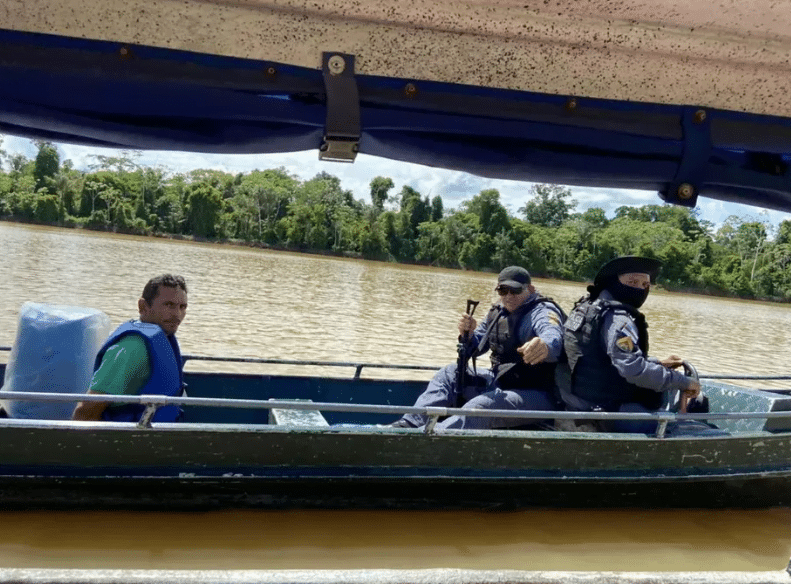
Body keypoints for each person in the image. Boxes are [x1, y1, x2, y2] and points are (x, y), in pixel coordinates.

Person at [390, 266, 565, 430]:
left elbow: (553, 334)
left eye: (515, 290)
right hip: (500, 383)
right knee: (449, 372)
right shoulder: (498, 312)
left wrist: (544, 346)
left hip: (537, 393)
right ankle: (408, 425)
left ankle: (431, 436)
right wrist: (469, 334)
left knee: (480, 406)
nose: (508, 296)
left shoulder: (541, 311)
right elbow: (477, 346)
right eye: (503, 290)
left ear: (531, 290)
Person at [559, 256, 701, 433]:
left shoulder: (587, 307)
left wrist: (658, 363)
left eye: (645, 285)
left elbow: (598, 357)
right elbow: (634, 370)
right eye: (633, 282)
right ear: (613, 282)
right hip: (603, 412)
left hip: (577, 401)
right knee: (690, 428)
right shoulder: (618, 319)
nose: (641, 289)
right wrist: (684, 382)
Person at [72, 274, 188, 422]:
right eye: (168, 305)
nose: (177, 314)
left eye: (182, 307)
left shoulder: (163, 339)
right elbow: (85, 412)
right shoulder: (133, 348)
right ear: (143, 307)